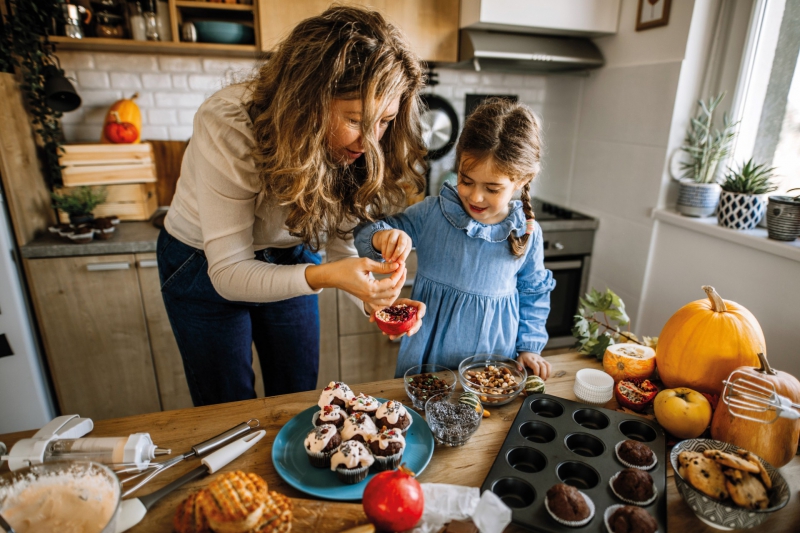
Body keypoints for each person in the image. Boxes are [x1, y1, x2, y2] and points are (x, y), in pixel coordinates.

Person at [157, 6, 427, 406]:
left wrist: (375, 300)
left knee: (297, 398)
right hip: (201, 263)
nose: (369, 141)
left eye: (384, 121)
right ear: (309, 101)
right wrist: (329, 275)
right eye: (355, 120)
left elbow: (341, 252)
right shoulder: (230, 122)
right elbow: (229, 272)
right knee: (227, 408)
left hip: (290, 254)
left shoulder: (361, 148)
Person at [354, 98, 556, 379]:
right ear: (458, 164)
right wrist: (383, 237)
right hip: (427, 363)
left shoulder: (527, 231)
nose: (475, 196)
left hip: (491, 365)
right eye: (467, 180)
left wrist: (529, 347)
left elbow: (534, 293)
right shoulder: (432, 213)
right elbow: (367, 232)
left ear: (522, 180)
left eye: (492, 188)